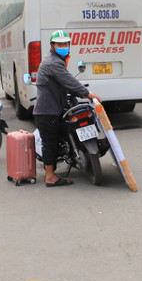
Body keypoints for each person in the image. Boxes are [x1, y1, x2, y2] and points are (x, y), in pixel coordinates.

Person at [33, 30, 101, 187]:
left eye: (66, 44)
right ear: (52, 45)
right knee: (50, 143)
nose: (64, 46)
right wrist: (88, 94)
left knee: (55, 140)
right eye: (60, 44)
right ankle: (50, 176)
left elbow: (63, 83)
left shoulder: (56, 60)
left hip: (52, 109)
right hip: (47, 111)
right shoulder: (54, 62)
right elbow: (68, 81)